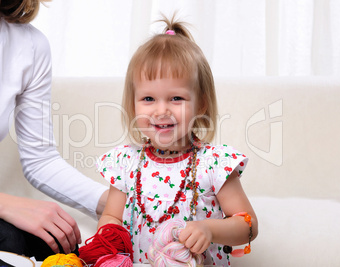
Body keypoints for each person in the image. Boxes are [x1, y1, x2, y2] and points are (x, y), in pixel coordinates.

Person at [0, 0, 108, 261]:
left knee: (55, 242)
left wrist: (114, 204)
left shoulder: (29, 47)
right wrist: (5, 204)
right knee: (7, 240)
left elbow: (41, 160)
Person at [97, 15, 258, 266]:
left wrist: (210, 229)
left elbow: (248, 226)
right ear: (133, 103)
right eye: (148, 99)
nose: (161, 111)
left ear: (201, 103)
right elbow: (111, 217)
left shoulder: (215, 163)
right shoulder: (125, 161)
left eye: (176, 99)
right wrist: (107, 243)